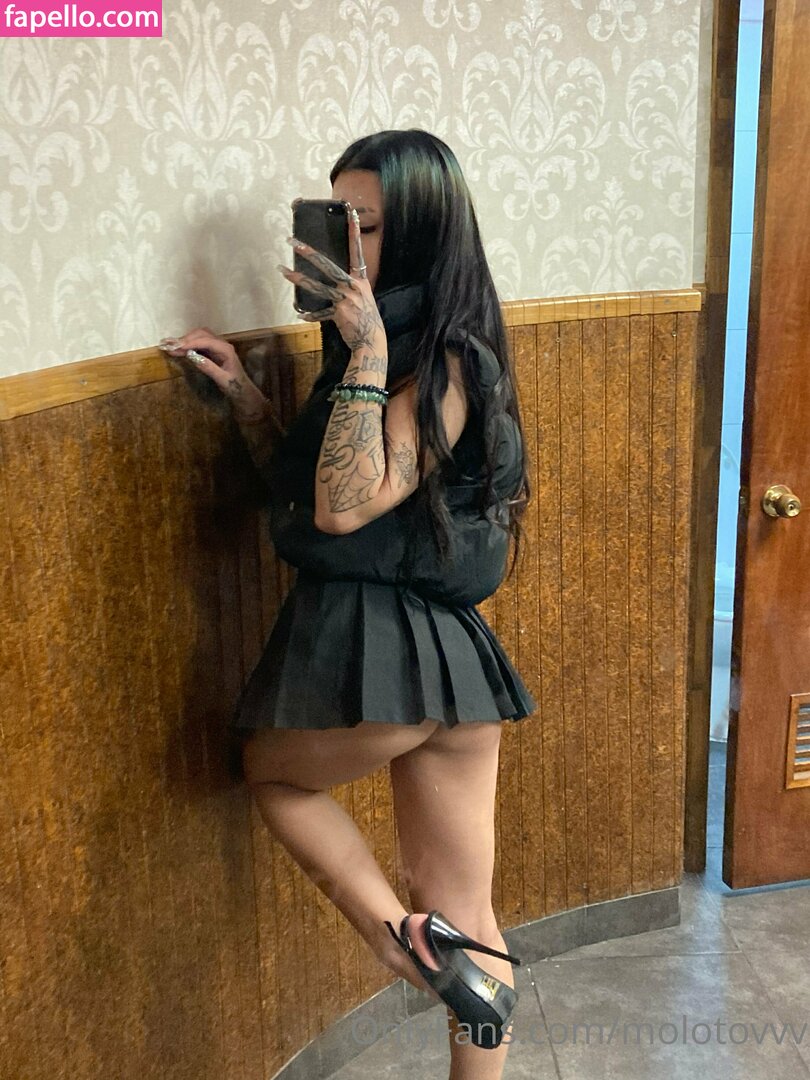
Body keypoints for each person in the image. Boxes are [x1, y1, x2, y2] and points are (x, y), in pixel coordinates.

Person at [160, 129, 537, 1077]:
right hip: (456, 665)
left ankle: (396, 941)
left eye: (363, 227)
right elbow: (317, 490)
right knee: (468, 916)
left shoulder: (443, 358)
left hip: (386, 647)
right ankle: (444, 970)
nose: (342, 251)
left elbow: (342, 508)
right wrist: (249, 400)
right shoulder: (394, 348)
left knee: (274, 776)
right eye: (335, 223)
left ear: (421, 234)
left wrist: (366, 346)